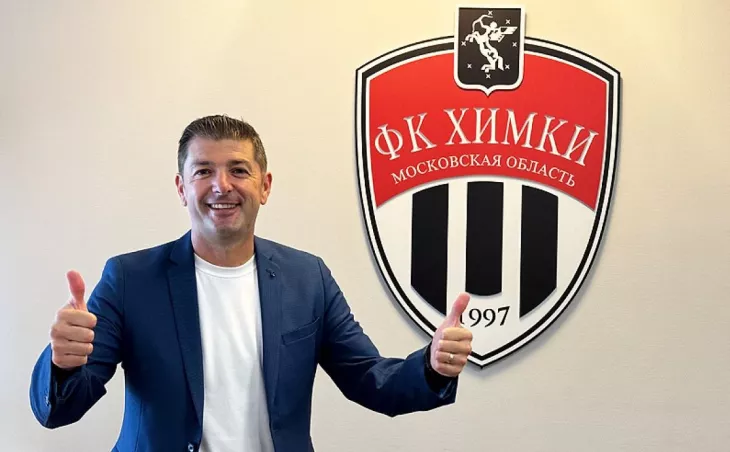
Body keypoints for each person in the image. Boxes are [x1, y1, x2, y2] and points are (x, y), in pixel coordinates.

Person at [29, 115, 474, 452]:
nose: (221, 185)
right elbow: (60, 410)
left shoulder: (308, 278)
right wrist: (62, 364)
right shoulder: (130, 279)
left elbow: (369, 379)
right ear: (182, 188)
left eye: (238, 170)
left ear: (265, 186)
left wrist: (432, 366)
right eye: (203, 171)